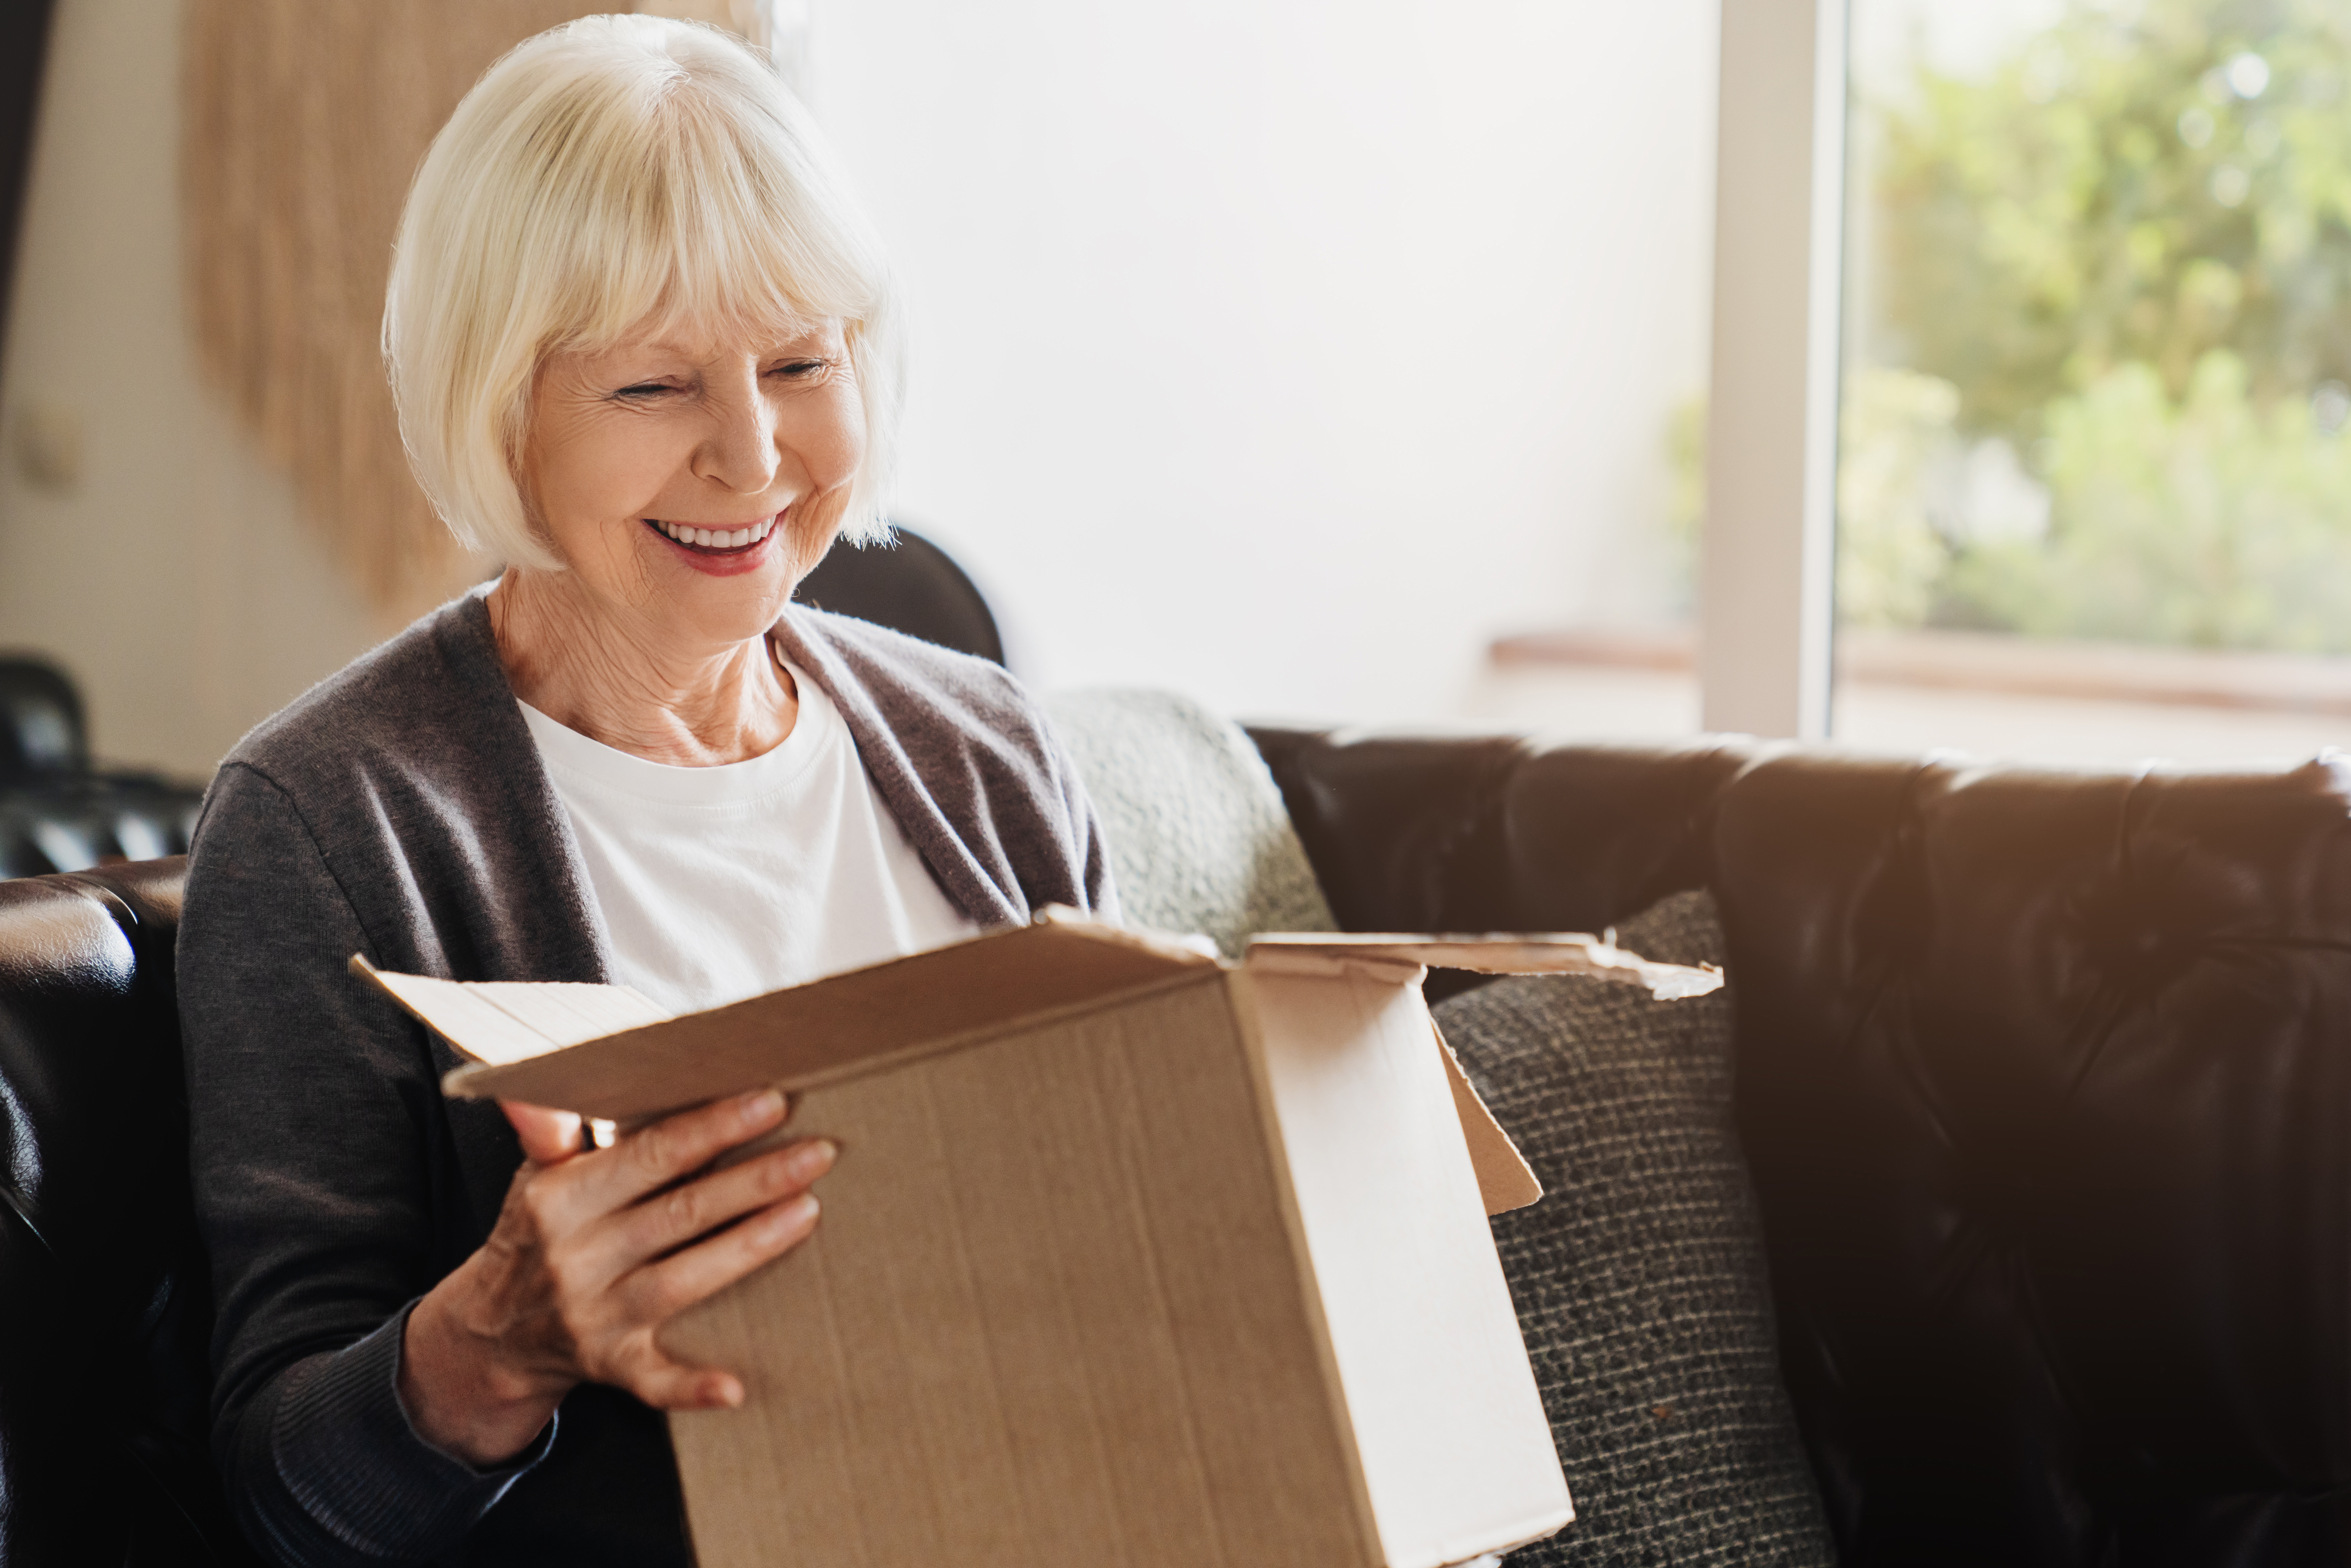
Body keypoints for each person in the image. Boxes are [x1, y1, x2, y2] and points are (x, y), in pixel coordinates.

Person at [177, 17, 1115, 1565]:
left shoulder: (993, 756)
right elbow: (280, 1504)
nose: (751, 458)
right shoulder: (329, 818)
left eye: (802, 363)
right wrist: (494, 1345)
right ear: (502, 412)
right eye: (653, 388)